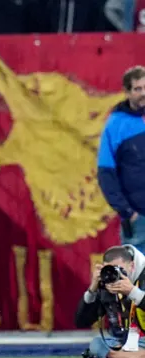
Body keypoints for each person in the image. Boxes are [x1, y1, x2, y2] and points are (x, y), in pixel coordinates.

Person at [98, 66, 145, 254]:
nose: (144, 93)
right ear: (126, 92)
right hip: (139, 220)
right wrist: (127, 212)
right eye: (138, 89)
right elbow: (105, 174)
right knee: (139, 280)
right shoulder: (115, 125)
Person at [76, 245, 145, 358]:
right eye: (111, 270)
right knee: (97, 344)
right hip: (123, 341)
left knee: (109, 357)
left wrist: (133, 292)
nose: (115, 275)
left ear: (132, 265)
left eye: (119, 269)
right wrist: (92, 289)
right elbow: (81, 322)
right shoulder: (108, 280)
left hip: (143, 338)